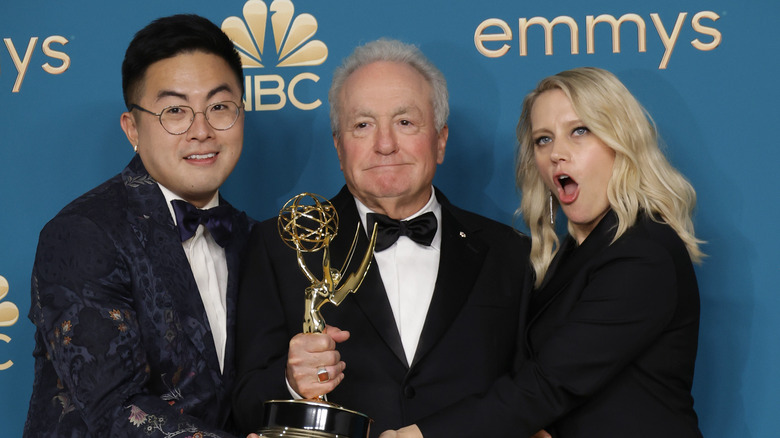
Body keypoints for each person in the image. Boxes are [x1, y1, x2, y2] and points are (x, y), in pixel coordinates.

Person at [232, 39, 531, 437]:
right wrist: (289, 380)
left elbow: (533, 396)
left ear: (440, 141)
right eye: (362, 125)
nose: (385, 144)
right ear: (339, 148)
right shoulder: (280, 245)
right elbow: (242, 403)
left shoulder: (509, 252)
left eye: (405, 122)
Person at [382, 67, 705, 437]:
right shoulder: (569, 255)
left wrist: (422, 435)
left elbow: (550, 384)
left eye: (579, 131)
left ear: (621, 140)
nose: (557, 154)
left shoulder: (643, 253)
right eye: (543, 140)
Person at [24, 14, 254, 437]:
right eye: (174, 111)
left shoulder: (252, 237)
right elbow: (115, 410)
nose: (201, 131)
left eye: (219, 107)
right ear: (133, 128)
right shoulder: (83, 233)